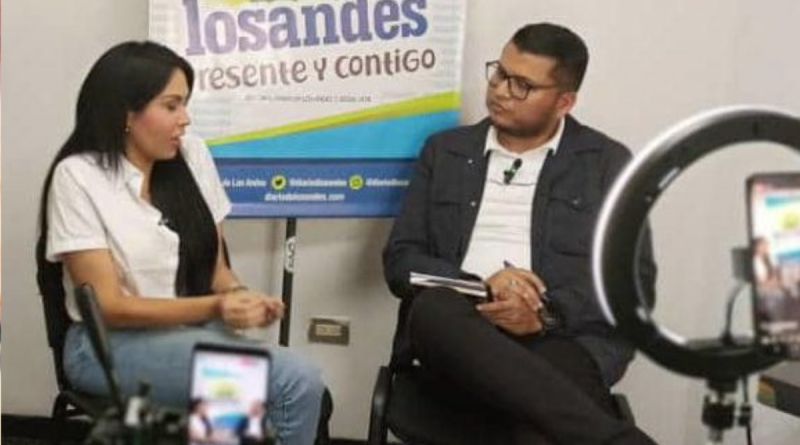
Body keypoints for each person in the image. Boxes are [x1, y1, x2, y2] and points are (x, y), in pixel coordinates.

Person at [383, 23, 658, 445]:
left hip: (558, 340)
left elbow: (633, 284)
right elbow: (401, 261)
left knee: (535, 427)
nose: (500, 90)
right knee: (435, 307)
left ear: (564, 101)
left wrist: (545, 314)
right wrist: (484, 287)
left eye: (522, 85)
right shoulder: (445, 151)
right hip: (459, 333)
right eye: (499, 73)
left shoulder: (606, 164)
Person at [37, 41, 323, 445]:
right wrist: (215, 307)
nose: (185, 119)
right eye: (171, 106)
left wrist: (238, 296)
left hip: (190, 332)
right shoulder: (78, 176)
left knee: (265, 409)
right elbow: (108, 307)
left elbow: (216, 268)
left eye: (184, 104)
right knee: (293, 380)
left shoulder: (192, 155)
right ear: (126, 113)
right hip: (105, 346)